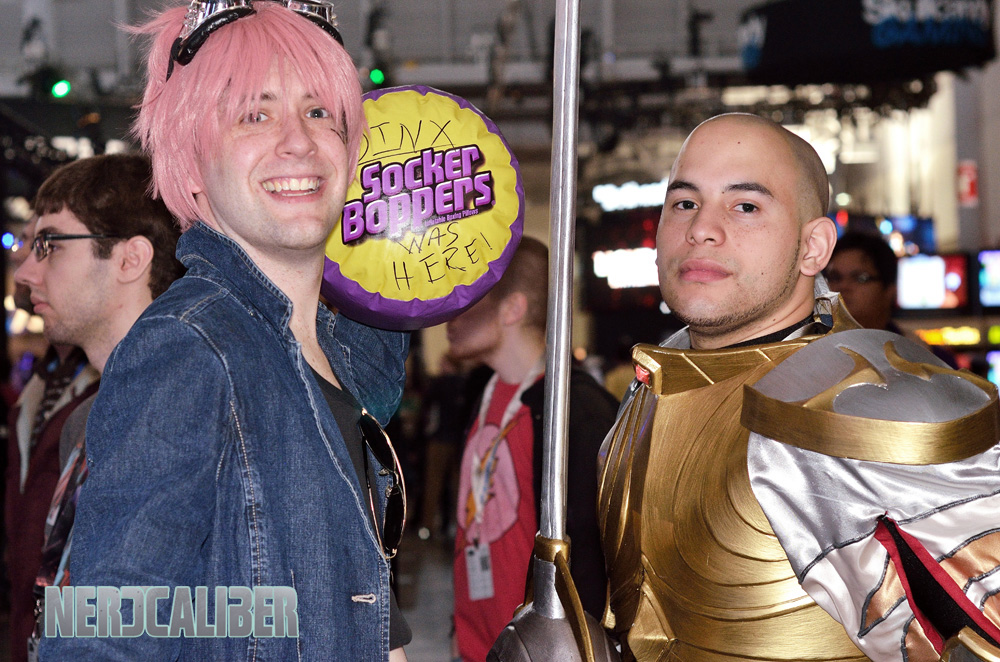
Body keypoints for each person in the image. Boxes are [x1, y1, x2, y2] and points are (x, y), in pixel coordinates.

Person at [41, 3, 411, 661]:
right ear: (191, 163)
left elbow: (357, 612)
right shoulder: (187, 348)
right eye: (254, 115)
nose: (299, 141)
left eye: (319, 112)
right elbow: (103, 632)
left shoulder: (341, 350)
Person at [597, 113, 1000, 661]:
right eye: (685, 203)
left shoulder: (876, 400)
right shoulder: (650, 389)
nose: (701, 229)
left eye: (745, 206)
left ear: (813, 247)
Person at [11, 154, 184, 660]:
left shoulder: (196, 413)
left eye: (49, 245)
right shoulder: (87, 421)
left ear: (130, 259)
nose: (26, 272)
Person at [447, 236, 619, 662]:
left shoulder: (575, 410)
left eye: (468, 296)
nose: (450, 311)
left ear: (512, 309)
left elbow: (599, 562)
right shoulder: (487, 394)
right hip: (476, 645)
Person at [4, 215, 99, 662]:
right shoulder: (43, 380)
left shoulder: (114, 385)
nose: (24, 265)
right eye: (27, 243)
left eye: (45, 245)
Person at [825, 230, 958, 367]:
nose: (843, 286)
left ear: (890, 289)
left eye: (860, 278)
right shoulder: (816, 353)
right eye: (835, 277)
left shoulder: (930, 361)